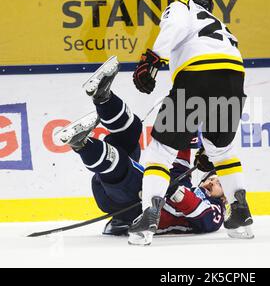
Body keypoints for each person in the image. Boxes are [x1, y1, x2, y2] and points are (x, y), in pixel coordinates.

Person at [130, 0, 254, 245]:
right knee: (222, 151)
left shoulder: (182, 6)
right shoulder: (221, 25)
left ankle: (148, 217)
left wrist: (152, 61)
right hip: (234, 79)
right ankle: (240, 211)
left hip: (198, 74)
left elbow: (174, 24)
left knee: (160, 150)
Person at [56, 56, 226, 237]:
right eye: (213, 178)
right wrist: (187, 125)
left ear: (225, 196)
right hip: (121, 193)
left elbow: (204, 217)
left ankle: (82, 145)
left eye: (219, 183)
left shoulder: (217, 211)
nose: (212, 181)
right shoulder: (186, 184)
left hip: (134, 209)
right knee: (131, 130)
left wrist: (175, 190)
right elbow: (176, 158)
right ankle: (103, 97)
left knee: (125, 164)